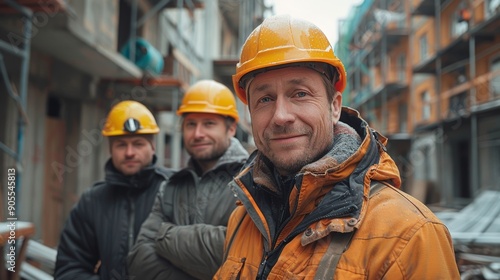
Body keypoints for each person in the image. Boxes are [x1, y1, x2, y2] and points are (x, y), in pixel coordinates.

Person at [214, 14, 461, 279]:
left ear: (334, 107)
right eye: (264, 99)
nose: (280, 116)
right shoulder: (242, 219)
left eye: (300, 94)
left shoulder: (410, 235)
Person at [127, 80, 249, 279]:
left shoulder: (252, 181)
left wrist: (165, 235)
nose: (198, 133)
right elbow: (139, 259)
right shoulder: (171, 186)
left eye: (209, 123)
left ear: (231, 128)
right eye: (191, 124)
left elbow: (244, 256)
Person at [55, 100, 173, 279]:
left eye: (138, 143)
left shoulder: (175, 191)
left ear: (153, 146)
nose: (129, 152)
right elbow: (68, 270)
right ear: (111, 148)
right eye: (121, 145)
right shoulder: (92, 201)